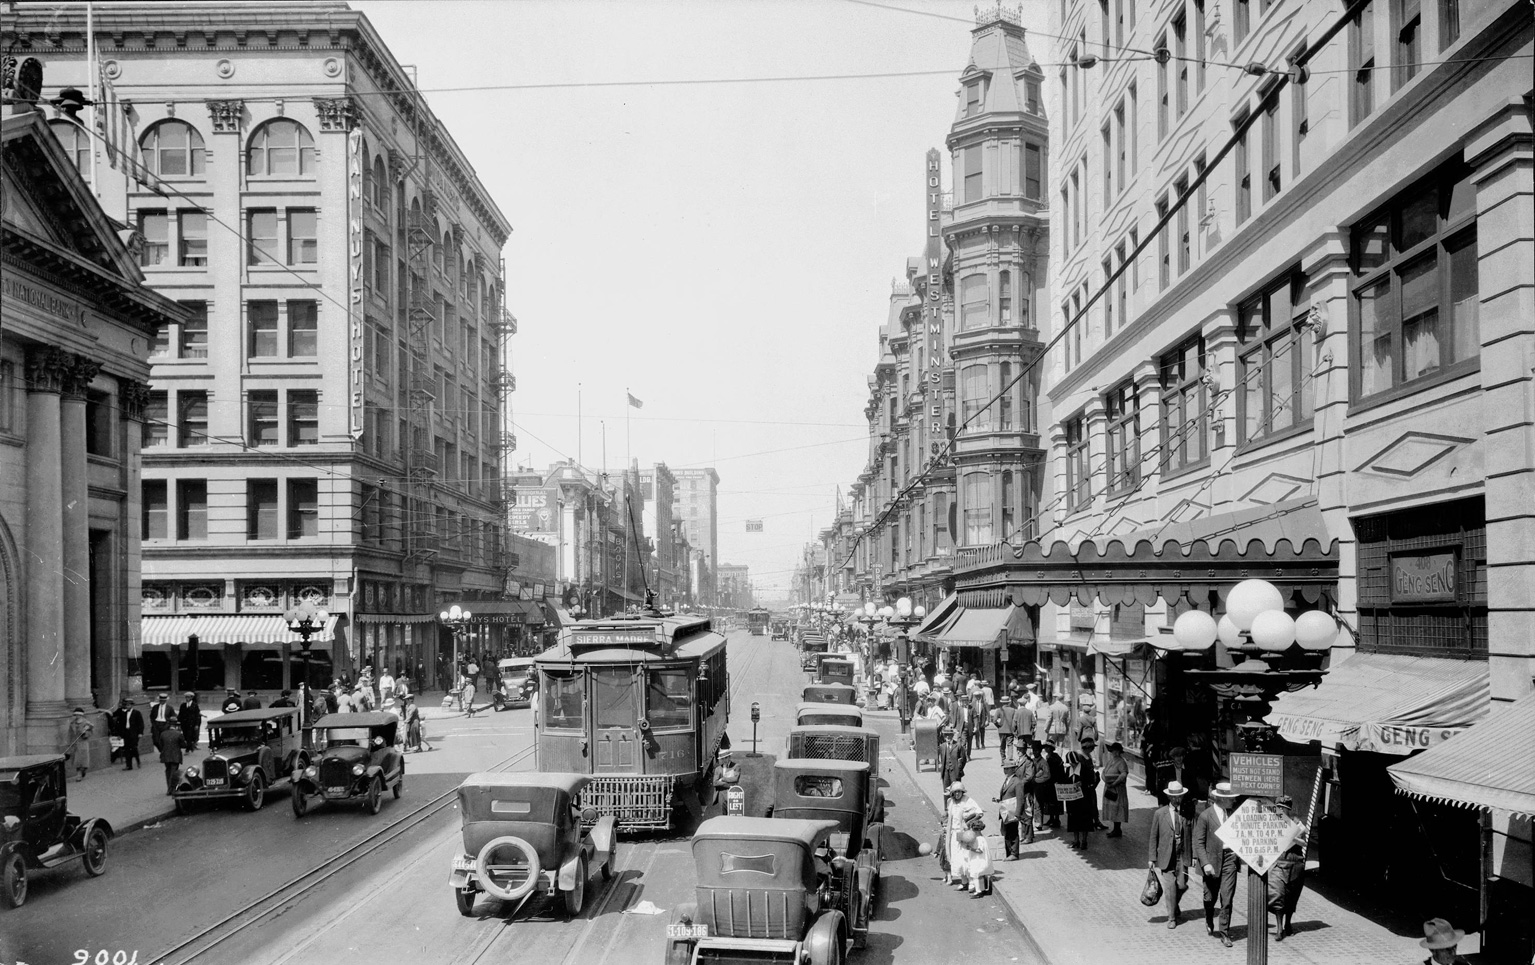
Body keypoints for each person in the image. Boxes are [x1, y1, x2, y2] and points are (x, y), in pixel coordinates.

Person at [1194, 781, 1241, 947]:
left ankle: (1224, 932)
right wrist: (1205, 863)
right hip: (1212, 862)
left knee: (1227, 898)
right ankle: (1208, 917)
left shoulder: (1234, 814)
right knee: (1210, 898)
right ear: (1221, 799)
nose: (1234, 801)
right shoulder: (1206, 816)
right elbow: (1198, 843)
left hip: (1230, 859)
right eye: (1231, 798)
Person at [1147, 781, 1193, 928]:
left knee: (1181, 885)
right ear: (1169, 797)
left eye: (1179, 796)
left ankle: (1174, 904)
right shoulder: (1160, 814)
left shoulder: (1186, 812)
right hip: (1167, 855)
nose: (1176, 799)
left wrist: (1193, 857)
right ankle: (1172, 918)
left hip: (1182, 855)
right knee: (1169, 887)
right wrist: (1152, 858)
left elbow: (1191, 836)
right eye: (1173, 797)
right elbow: (1153, 836)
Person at [1268, 794, 1308, 941]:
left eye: (1285, 808)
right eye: (1279, 808)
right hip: (1279, 862)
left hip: (1295, 862)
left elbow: (1304, 843)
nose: (1282, 811)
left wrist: (1292, 837)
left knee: (1292, 895)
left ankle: (1288, 923)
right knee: (1278, 895)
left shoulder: (1296, 823)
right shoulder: (1272, 821)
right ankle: (1279, 927)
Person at [942, 782, 984, 888]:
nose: (957, 794)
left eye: (959, 792)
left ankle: (971, 882)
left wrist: (969, 822)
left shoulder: (968, 801)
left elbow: (979, 813)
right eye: (955, 792)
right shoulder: (950, 802)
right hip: (953, 833)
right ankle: (963, 881)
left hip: (964, 833)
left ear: (962, 792)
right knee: (956, 857)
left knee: (966, 857)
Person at [1065, 742, 1098, 849]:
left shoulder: (1084, 769)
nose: (1072, 765)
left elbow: (1091, 782)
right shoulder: (1068, 770)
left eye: (1073, 763)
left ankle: (1084, 841)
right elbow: (1065, 781)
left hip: (1083, 800)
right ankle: (1076, 840)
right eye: (1070, 764)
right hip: (1072, 800)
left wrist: (1082, 784)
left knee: (1084, 820)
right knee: (1073, 820)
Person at [993, 758, 1026, 860]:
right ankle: (1008, 852)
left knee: (1013, 832)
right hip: (1005, 811)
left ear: (1013, 769)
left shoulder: (1017, 782)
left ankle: (1014, 853)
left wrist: (1018, 814)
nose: (1005, 771)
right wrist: (999, 799)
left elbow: (1020, 799)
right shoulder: (1008, 780)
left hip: (1012, 812)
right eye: (1004, 769)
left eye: (1007, 769)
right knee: (1005, 831)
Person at [1100, 741, 1130, 837]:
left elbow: (1123, 774)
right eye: (1112, 751)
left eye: (1114, 751)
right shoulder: (1111, 761)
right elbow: (1104, 771)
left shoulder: (1121, 762)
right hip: (1109, 787)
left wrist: (1114, 783)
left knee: (1117, 808)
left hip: (1117, 789)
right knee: (1112, 809)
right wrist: (1105, 779)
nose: (1113, 753)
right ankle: (1115, 829)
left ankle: (1117, 829)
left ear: (1118, 752)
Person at [955, 827, 994, 897]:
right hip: (980, 859)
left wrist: (971, 849)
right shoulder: (981, 838)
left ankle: (978, 891)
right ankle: (982, 890)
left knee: (975, 875)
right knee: (979, 875)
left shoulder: (979, 839)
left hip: (979, 860)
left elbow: (980, 850)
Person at [155, 717, 188, 795]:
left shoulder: (163, 733)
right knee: (174, 772)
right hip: (175, 756)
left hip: (165, 755)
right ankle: (172, 789)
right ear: (176, 725)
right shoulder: (178, 734)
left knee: (168, 771)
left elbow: (160, 744)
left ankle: (169, 788)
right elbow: (184, 745)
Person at [110, 698, 143, 770]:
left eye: (128, 705)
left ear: (131, 705)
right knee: (127, 749)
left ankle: (138, 761)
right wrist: (120, 734)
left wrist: (140, 733)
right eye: (126, 705)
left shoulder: (137, 713)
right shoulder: (123, 713)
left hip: (134, 733)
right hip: (126, 733)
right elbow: (121, 725)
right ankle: (129, 765)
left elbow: (140, 724)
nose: (127, 707)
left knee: (134, 748)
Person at [1042, 741, 1067, 829]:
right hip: (1050, 783)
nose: (1045, 749)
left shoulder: (1055, 758)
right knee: (1050, 801)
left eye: (1047, 747)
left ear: (1051, 748)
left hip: (1055, 782)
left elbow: (1056, 771)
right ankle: (1051, 818)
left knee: (1055, 801)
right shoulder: (1048, 757)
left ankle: (1056, 819)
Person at [66, 708, 94, 781]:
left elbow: (90, 733)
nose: (77, 716)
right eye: (76, 715)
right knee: (77, 760)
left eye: (79, 715)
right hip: (75, 743)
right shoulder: (72, 723)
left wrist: (84, 733)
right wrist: (69, 742)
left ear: (82, 715)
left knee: (83, 760)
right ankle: (79, 774)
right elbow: (70, 734)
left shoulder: (86, 723)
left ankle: (83, 770)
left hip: (83, 743)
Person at [938, 727, 966, 794]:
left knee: (956, 791)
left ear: (952, 735)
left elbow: (964, 759)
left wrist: (959, 769)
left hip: (955, 773)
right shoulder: (942, 746)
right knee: (946, 791)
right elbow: (942, 759)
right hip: (945, 773)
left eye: (949, 735)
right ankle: (947, 804)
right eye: (945, 735)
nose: (947, 737)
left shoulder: (958, 746)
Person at [994, 693, 1018, 762]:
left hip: (1001, 730)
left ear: (1002, 702)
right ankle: (1010, 759)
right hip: (1010, 730)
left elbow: (994, 720)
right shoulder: (1013, 710)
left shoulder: (999, 710)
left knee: (1002, 745)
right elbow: (1015, 721)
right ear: (1009, 702)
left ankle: (1003, 759)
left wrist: (999, 726)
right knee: (1010, 745)